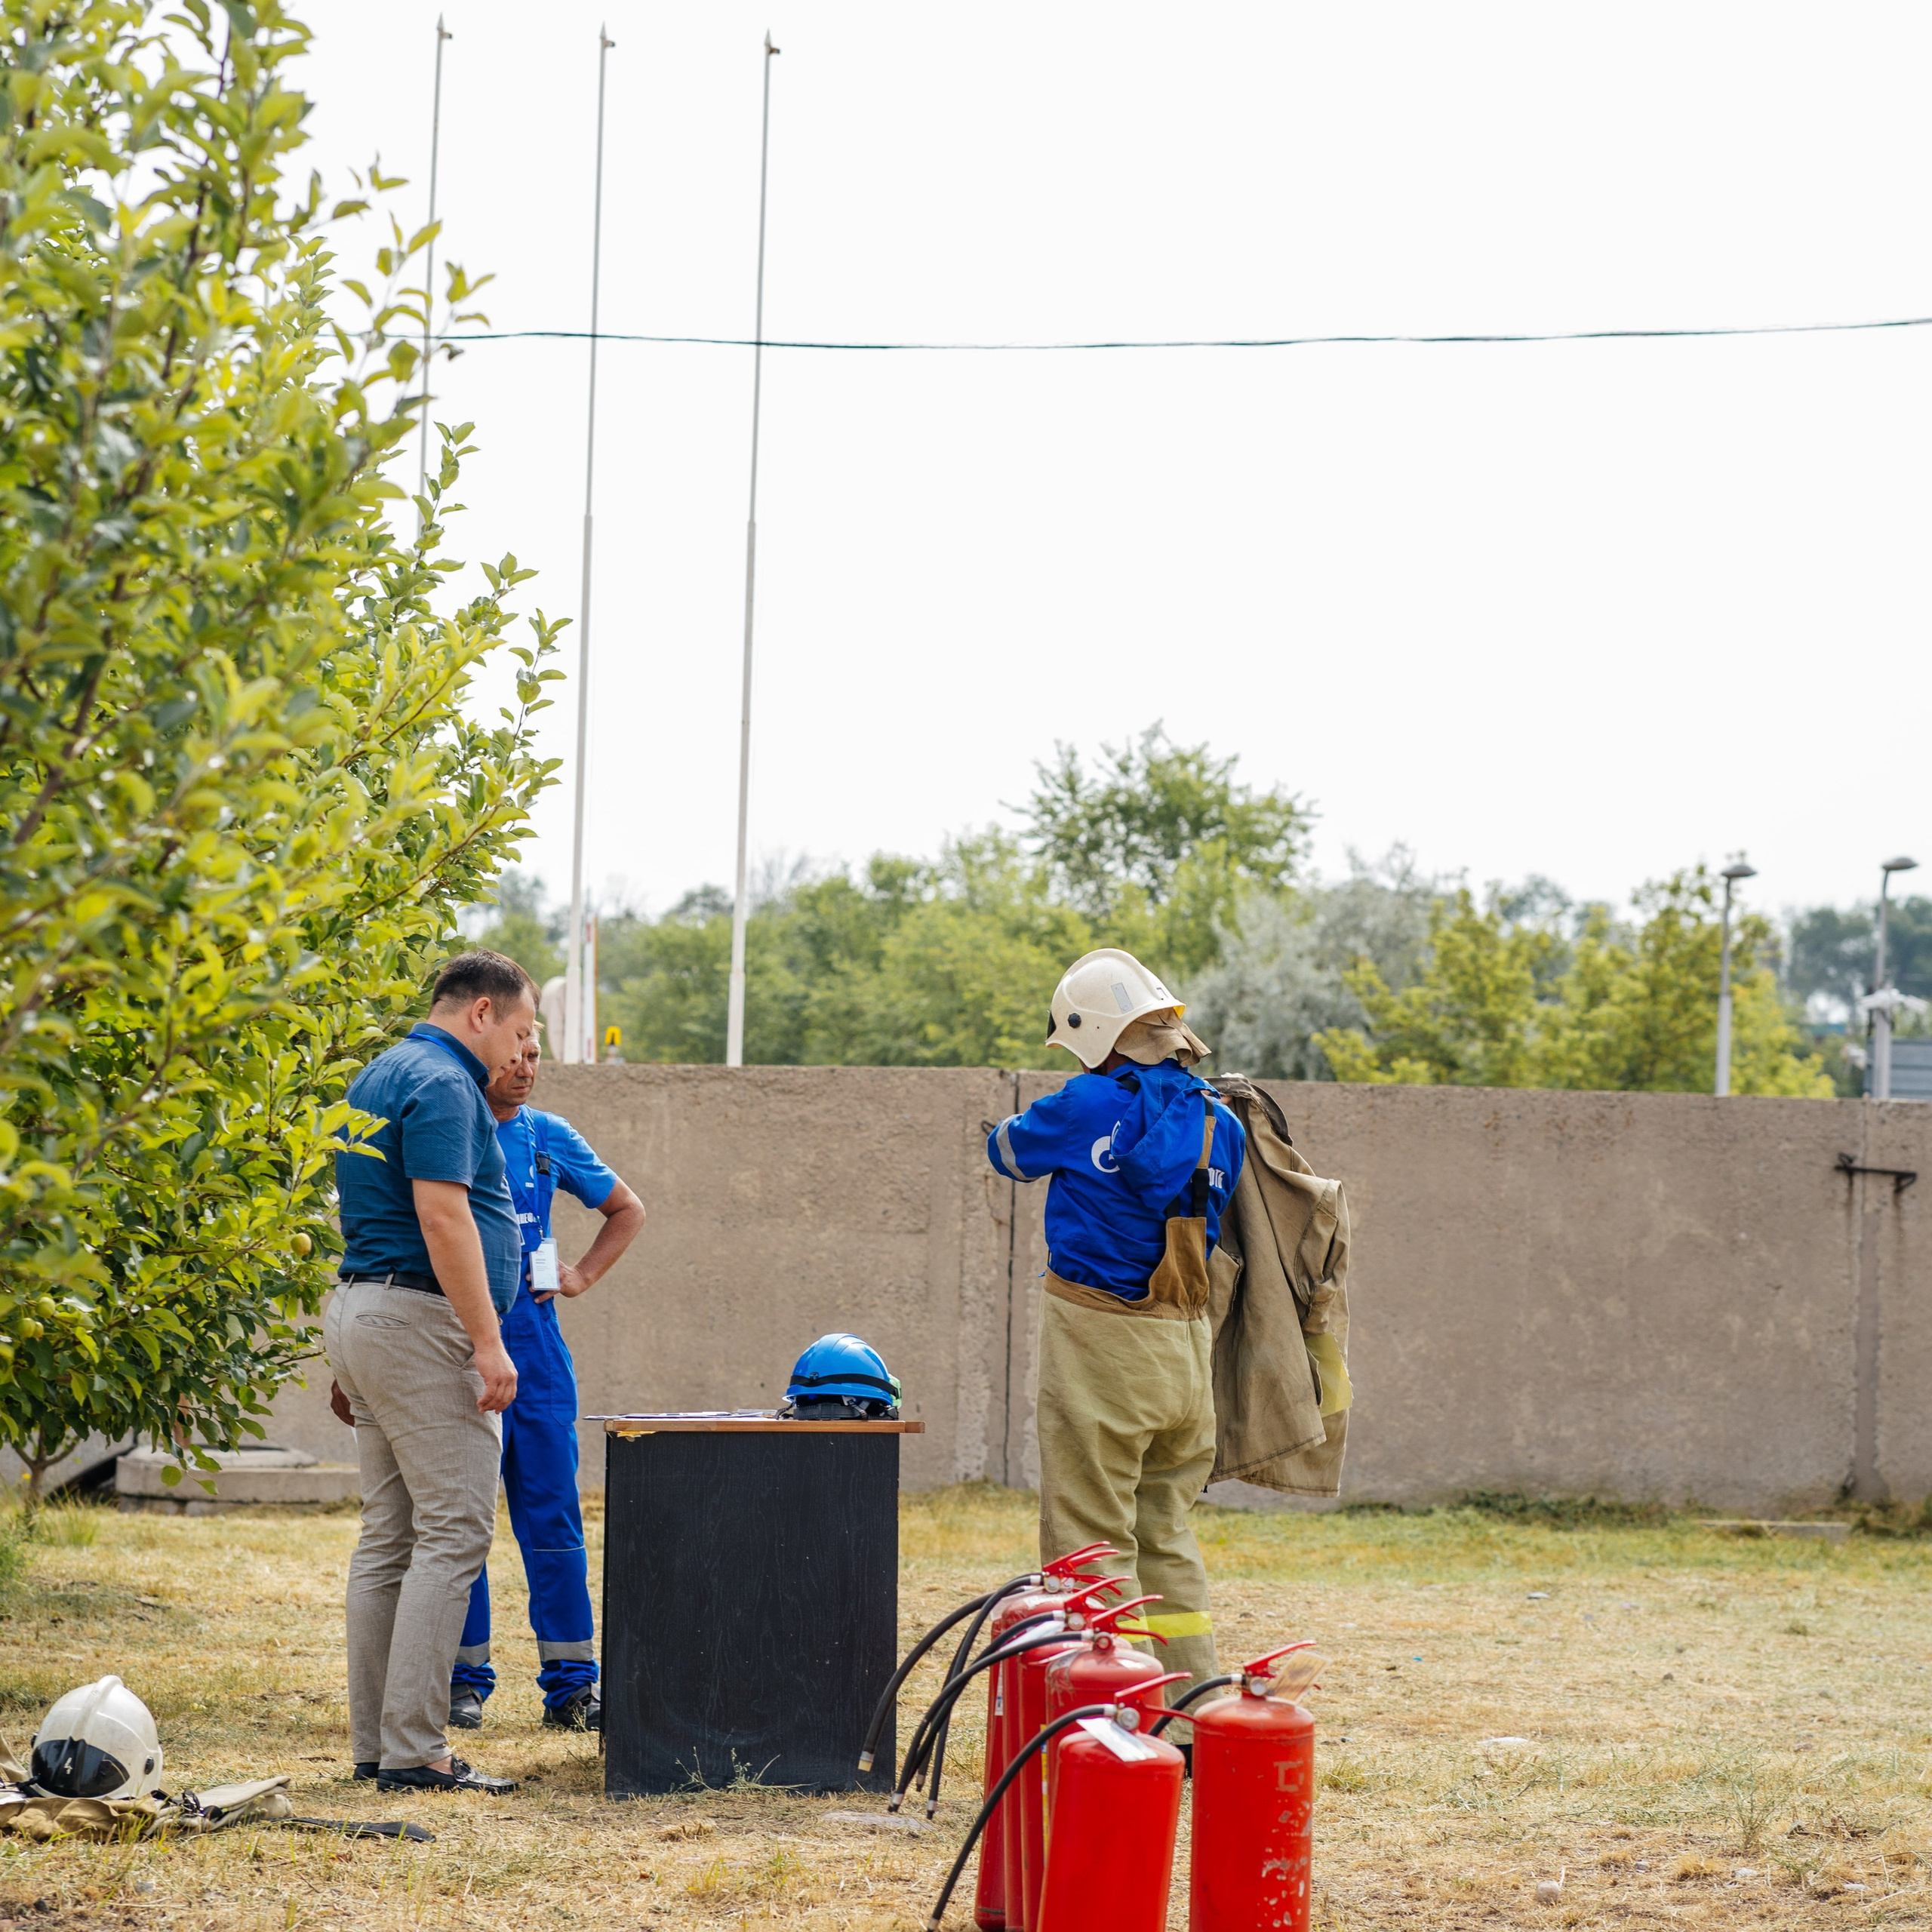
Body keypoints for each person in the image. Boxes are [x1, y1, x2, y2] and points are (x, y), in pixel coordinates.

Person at [985, 947, 1246, 1709]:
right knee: (1162, 1532)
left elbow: (1006, 1151)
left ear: (1094, 1033)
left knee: (1090, 1532)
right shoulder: (1216, 1117)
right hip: (1186, 1349)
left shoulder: (1083, 1103)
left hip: (1101, 1342)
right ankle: (1195, 1708)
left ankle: (1115, 1711)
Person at [324, 950, 537, 1795]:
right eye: (519, 1032)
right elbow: (442, 1215)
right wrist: (488, 1341)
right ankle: (416, 1749)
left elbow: (362, 1208)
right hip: (418, 1320)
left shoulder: (378, 1071)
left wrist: (360, 1345)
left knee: (390, 1536)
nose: (519, 1054)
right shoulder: (447, 1081)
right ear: (480, 1013)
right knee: (453, 1532)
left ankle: (379, 1745)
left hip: (365, 1308)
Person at [449, 1029, 646, 1732]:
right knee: (462, 1524)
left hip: (538, 1356)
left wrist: (582, 1275)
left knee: (554, 1523)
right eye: (516, 1054)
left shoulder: (548, 1135)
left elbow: (628, 1209)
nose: (526, 1068)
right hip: (458, 1347)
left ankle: (571, 1688)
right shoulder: (447, 1127)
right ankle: (461, 1683)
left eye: (536, 1056)